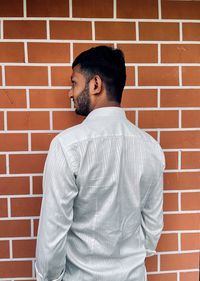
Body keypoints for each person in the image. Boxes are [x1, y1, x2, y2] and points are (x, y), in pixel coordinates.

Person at [35, 46, 165, 281]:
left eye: (74, 83)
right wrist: (127, 261)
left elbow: (52, 235)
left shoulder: (67, 146)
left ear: (95, 84)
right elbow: (153, 227)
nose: (70, 93)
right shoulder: (151, 148)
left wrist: (49, 277)